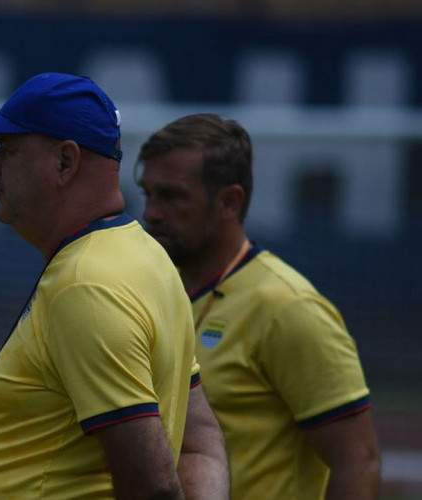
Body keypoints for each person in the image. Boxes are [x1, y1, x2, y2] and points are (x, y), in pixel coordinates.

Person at [0, 73, 229, 499]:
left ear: (65, 162)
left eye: (9, 149)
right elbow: (200, 444)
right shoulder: (145, 256)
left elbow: (153, 488)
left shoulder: (88, 285)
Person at [136, 113, 382, 500]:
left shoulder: (288, 307)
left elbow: (358, 462)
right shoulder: (157, 292)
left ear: (230, 202)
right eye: (148, 193)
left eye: (171, 196)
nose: (150, 212)